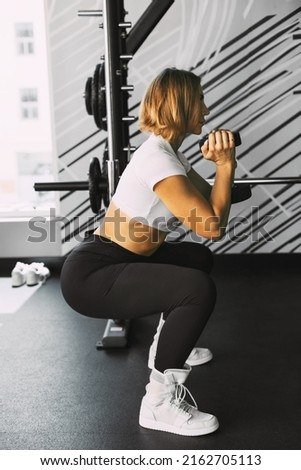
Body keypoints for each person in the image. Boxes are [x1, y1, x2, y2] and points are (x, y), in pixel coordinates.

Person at [60, 67, 236, 436]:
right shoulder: (159, 159)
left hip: (125, 258)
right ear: (183, 104)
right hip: (94, 274)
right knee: (197, 289)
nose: (205, 108)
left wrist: (223, 168)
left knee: (196, 260)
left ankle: (172, 343)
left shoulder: (169, 154)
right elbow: (211, 225)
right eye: (200, 99)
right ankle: (158, 403)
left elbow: (215, 198)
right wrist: (224, 166)